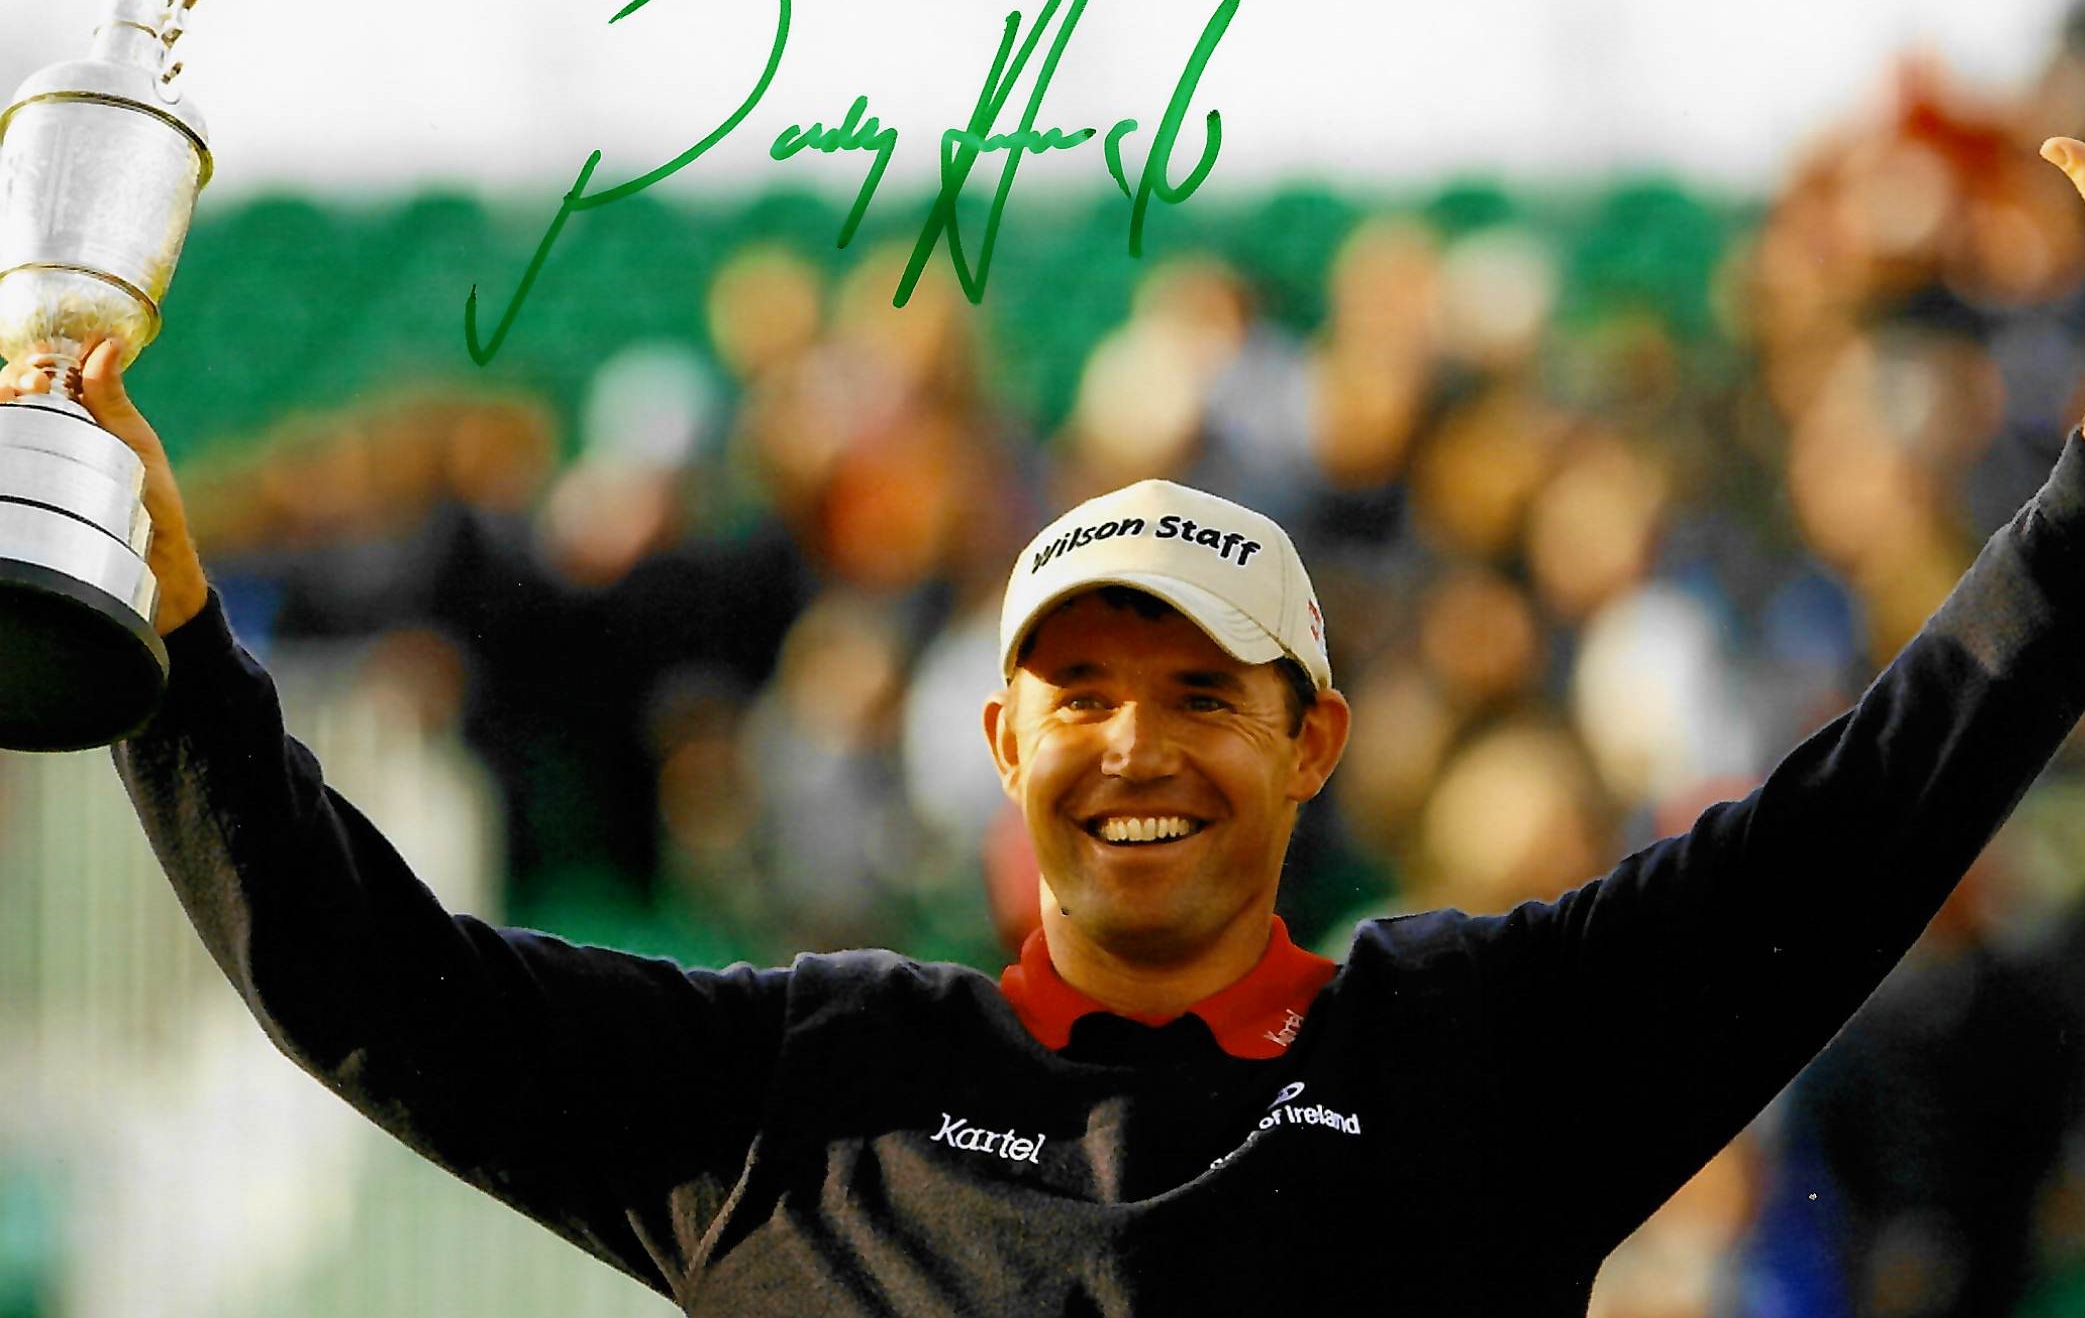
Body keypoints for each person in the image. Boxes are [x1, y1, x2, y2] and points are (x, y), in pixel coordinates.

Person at [19, 138, 2085, 1316]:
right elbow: (370, 985)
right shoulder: (799, 1097)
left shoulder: (1475, 1055)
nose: (1135, 743)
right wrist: (176, 631)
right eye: (1079, 692)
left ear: (1312, 745)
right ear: (1003, 747)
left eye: (1202, 690)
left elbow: (1863, 823)